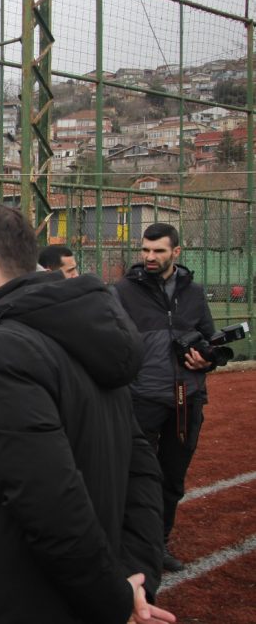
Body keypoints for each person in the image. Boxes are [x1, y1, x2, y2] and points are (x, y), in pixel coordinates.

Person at [0, 201, 173, 624]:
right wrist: (136, 574)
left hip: (7, 596)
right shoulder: (86, 334)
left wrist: (113, 599)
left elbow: (49, 498)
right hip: (72, 593)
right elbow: (142, 470)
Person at [113, 223, 216, 573]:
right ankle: (125, 545)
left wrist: (207, 359)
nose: (150, 257)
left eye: (158, 251)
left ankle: (158, 544)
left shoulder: (194, 292)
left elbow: (208, 338)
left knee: (172, 477)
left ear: (176, 252)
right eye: (145, 250)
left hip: (187, 398)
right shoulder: (124, 290)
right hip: (142, 397)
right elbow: (111, 340)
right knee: (134, 473)